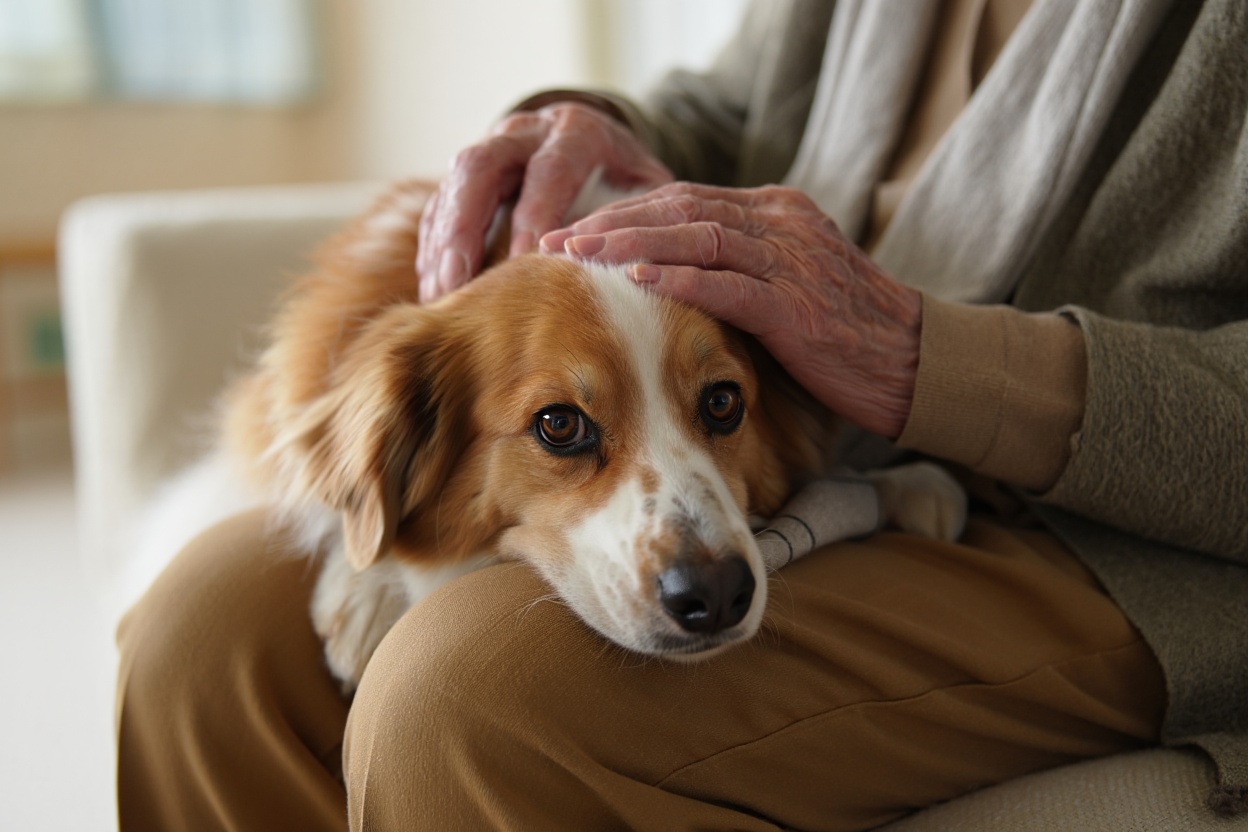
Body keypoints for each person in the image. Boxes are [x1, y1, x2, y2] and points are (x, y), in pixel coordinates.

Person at [116, 0, 1248, 829]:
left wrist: (931, 359)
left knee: (467, 695)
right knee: (198, 641)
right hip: (816, 431)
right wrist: (582, 128)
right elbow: (731, 117)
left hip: (1125, 544)